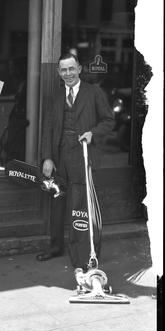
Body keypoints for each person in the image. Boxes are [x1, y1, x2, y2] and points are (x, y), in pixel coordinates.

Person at [38, 52, 115, 271]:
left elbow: (109, 120)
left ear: (79, 69)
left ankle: (83, 254)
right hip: (60, 154)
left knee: (80, 204)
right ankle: (55, 247)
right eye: (63, 70)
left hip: (83, 154)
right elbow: (48, 128)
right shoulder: (55, 95)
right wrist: (48, 157)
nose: (68, 73)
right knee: (58, 199)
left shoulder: (94, 92)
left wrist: (93, 133)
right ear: (58, 72)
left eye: (71, 69)